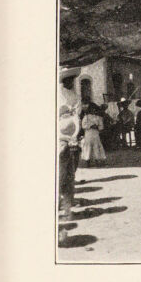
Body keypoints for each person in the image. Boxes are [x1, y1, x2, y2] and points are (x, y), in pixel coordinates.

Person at [58, 69, 81, 227]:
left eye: (71, 80)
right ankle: (62, 200)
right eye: (67, 80)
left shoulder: (75, 96)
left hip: (73, 132)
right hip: (61, 134)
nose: (70, 82)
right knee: (62, 171)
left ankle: (69, 198)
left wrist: (76, 133)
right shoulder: (58, 94)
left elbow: (78, 114)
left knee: (72, 168)